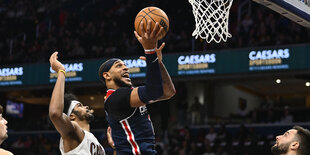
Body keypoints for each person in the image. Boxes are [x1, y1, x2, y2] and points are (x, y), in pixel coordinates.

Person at [98, 20, 176, 154]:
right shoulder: (115, 98)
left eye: (124, 65)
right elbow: (153, 91)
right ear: (107, 75)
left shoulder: (129, 95)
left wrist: (158, 63)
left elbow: (168, 92)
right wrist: (150, 51)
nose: (125, 68)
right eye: (118, 65)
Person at [49, 52, 105, 155]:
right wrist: (61, 72)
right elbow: (55, 114)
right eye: (79, 105)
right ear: (71, 116)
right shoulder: (74, 130)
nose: (86, 106)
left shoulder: (95, 142)